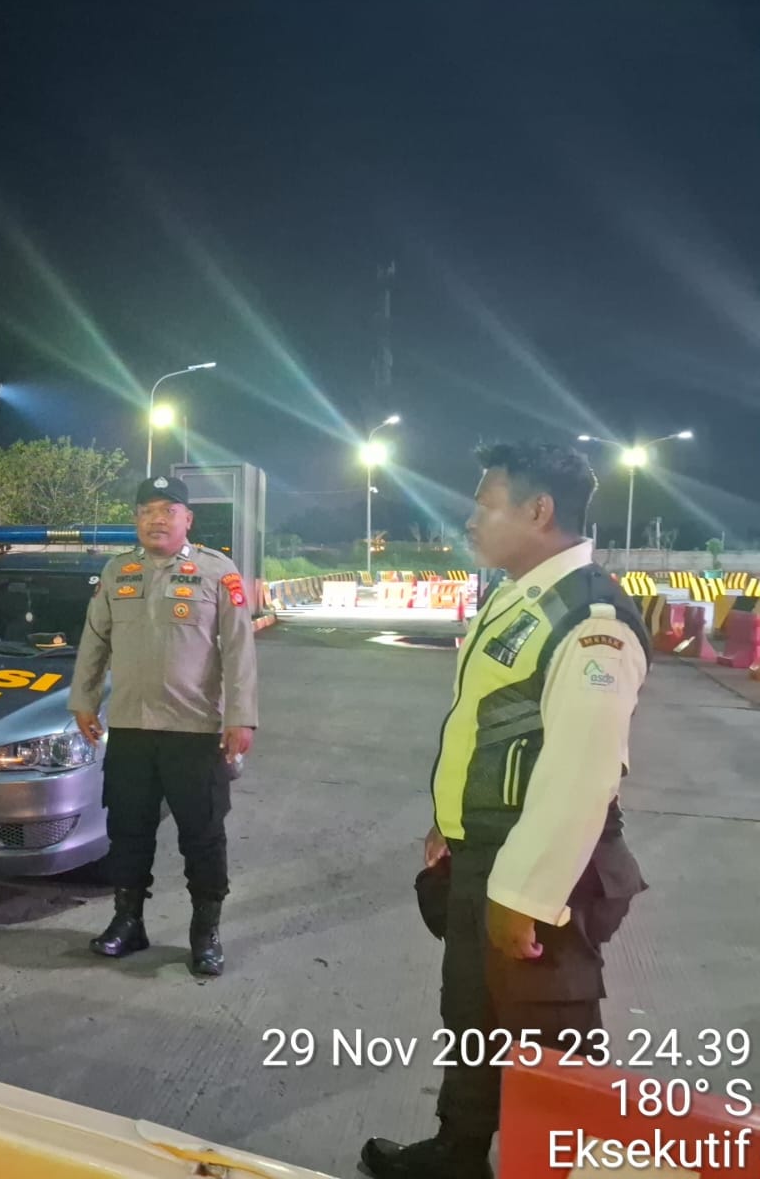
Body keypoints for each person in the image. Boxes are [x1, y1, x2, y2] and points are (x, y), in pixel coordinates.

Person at [361, 443, 650, 1179]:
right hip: (483, 849)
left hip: (541, 867)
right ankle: (458, 1154)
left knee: (548, 1040)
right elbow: (489, 725)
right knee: (471, 1015)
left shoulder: (590, 620)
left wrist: (526, 894)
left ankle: (553, 1169)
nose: (470, 519)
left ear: (538, 510)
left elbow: (581, 772)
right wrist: (450, 819)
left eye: (485, 503)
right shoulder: (517, 595)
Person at [67, 475, 259, 978]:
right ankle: (128, 922)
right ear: (136, 518)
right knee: (127, 831)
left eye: (168, 510)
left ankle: (205, 933)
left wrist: (241, 716)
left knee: (203, 835)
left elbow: (239, 648)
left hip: (194, 730)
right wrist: (84, 700)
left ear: (187, 519)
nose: (157, 519)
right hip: (131, 727)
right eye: (147, 510)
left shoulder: (217, 571)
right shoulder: (118, 571)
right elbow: (95, 640)